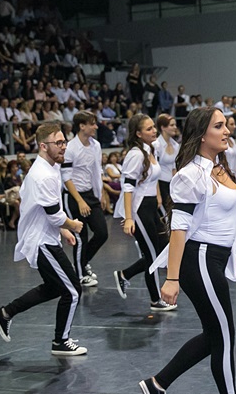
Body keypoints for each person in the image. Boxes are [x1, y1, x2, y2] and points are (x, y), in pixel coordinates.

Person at [137, 107, 236, 394]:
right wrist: (172, 278)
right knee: (223, 334)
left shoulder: (219, 166)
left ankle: (157, 384)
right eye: (219, 126)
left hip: (217, 256)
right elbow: (179, 228)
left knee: (215, 334)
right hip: (199, 259)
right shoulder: (190, 175)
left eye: (225, 126)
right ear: (201, 134)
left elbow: (224, 217)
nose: (227, 131)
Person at [0, 122, 88, 357]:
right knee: (73, 290)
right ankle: (60, 341)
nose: (64, 146)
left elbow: (45, 209)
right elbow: (54, 215)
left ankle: (5, 313)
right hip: (41, 241)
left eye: (64, 141)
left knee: (55, 287)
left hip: (46, 237)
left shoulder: (49, 168)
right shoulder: (43, 174)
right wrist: (72, 225)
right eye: (59, 143)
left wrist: (62, 230)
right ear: (44, 146)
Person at [113, 113, 175, 311]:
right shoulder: (135, 155)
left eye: (153, 127)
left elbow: (153, 177)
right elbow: (128, 187)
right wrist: (129, 218)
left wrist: (158, 197)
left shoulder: (151, 148)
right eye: (149, 129)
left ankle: (125, 274)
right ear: (138, 134)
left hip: (150, 206)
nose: (154, 131)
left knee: (163, 248)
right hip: (139, 209)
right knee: (152, 255)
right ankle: (156, 299)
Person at [61, 111, 107, 287]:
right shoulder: (70, 148)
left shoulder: (96, 146)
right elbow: (66, 177)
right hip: (74, 196)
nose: (95, 127)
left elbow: (97, 170)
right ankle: (80, 275)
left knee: (102, 233)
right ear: (82, 126)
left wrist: (101, 193)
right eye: (92, 123)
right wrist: (80, 201)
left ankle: (81, 263)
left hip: (90, 194)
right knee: (81, 237)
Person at [155, 113, 179, 212]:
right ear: (163, 128)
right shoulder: (156, 145)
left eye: (175, 125)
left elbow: (174, 168)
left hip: (171, 183)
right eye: (172, 125)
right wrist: (158, 194)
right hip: (160, 183)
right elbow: (154, 171)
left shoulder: (176, 145)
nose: (175, 127)